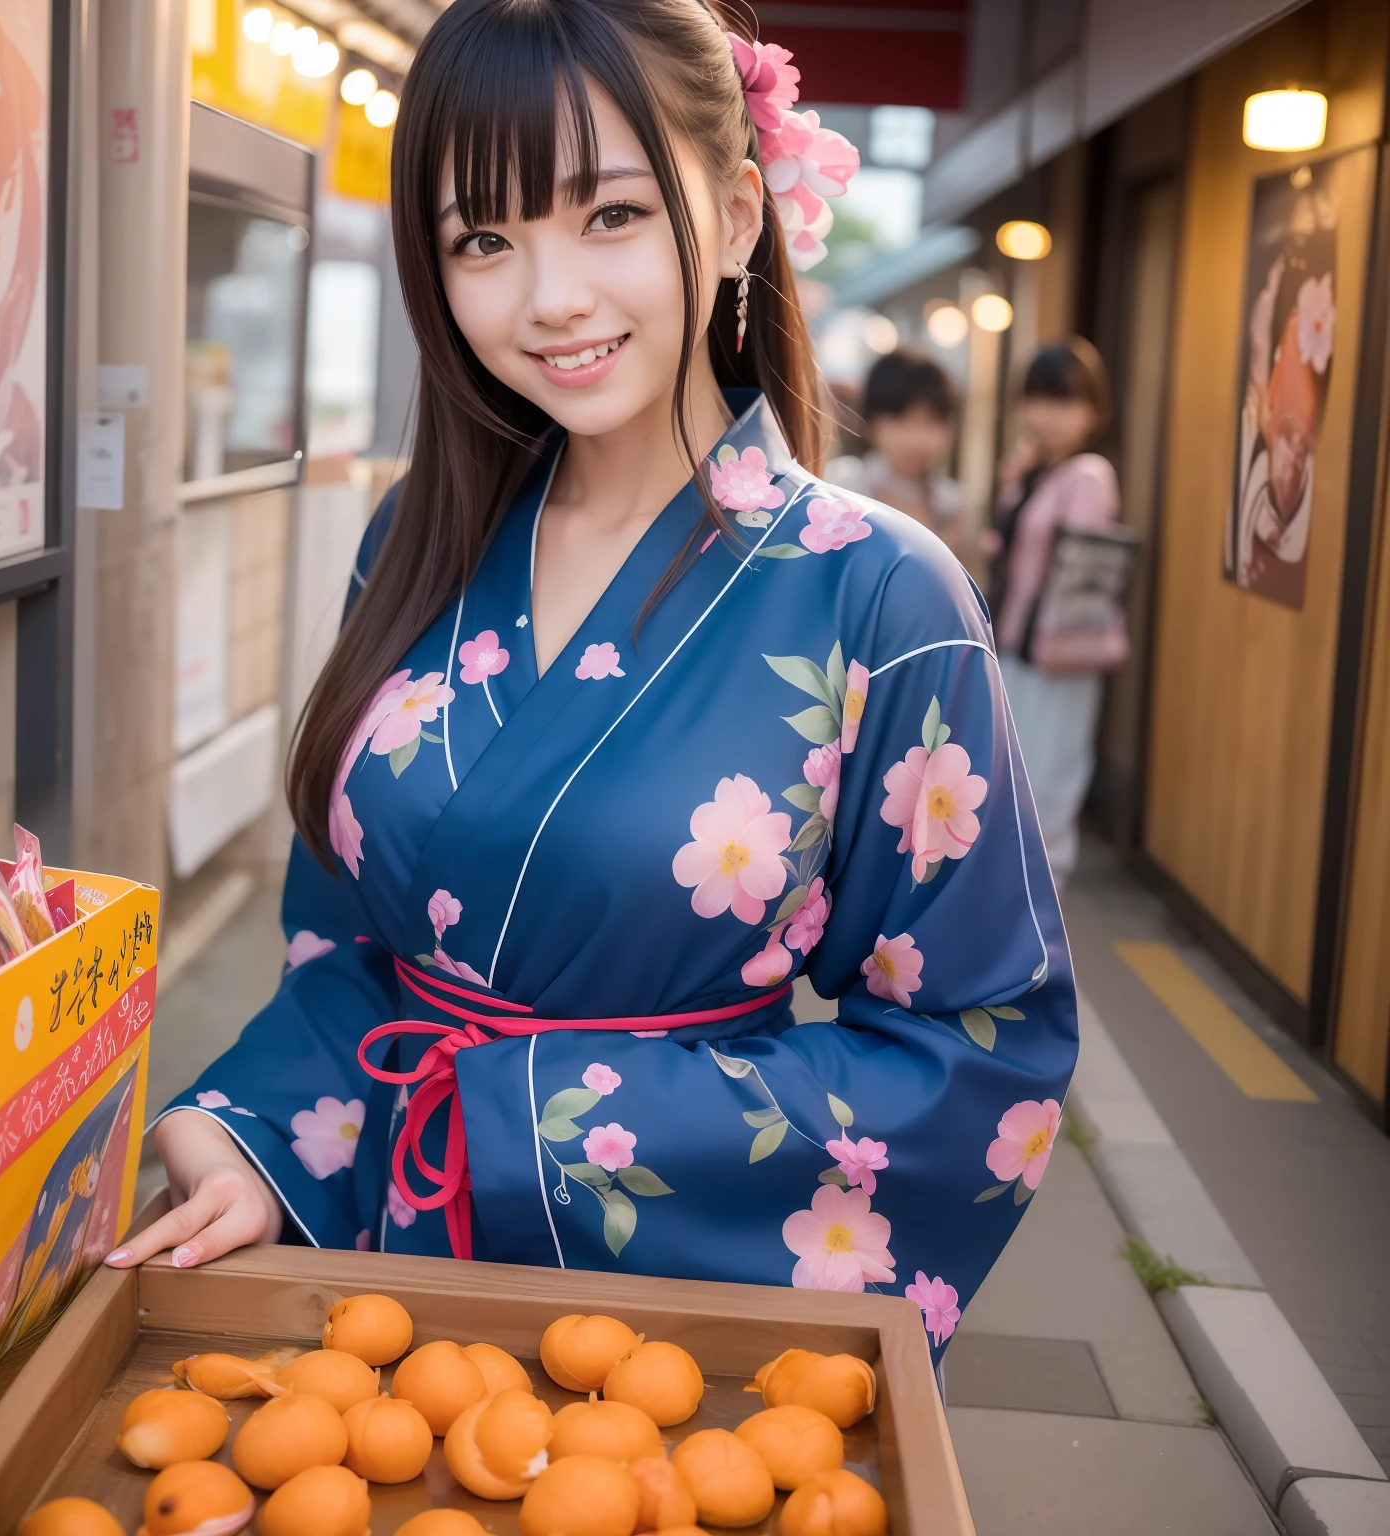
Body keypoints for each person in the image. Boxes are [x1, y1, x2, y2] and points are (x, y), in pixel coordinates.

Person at [110, 0, 1076, 1356]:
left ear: (739, 214)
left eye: (611, 216)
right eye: (484, 239)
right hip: (388, 1291)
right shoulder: (416, 542)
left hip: (660, 1322)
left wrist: (530, 1124)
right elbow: (348, 957)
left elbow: (978, 1054)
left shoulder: (879, 594)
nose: (550, 296)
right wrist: (244, 1130)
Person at [987, 338, 1120, 877]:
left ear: (1093, 410)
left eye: (1065, 401)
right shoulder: (1037, 472)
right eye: (1039, 399)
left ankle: (1046, 900)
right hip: (1020, 645)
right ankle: (1020, 895)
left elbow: (1078, 560)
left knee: (1047, 777)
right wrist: (1012, 485)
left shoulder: (1087, 473)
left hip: (1060, 649)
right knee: (1017, 773)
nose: (1049, 415)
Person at [855, 349, 964, 551]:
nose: (919, 439)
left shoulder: (949, 503)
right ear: (871, 422)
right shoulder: (846, 489)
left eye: (932, 422)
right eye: (902, 421)